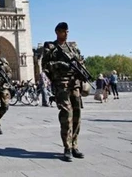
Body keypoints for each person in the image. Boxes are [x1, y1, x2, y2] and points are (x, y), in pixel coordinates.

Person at [42, 22, 85, 162]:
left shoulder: (73, 48)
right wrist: (60, 65)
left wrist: (82, 71)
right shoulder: (51, 47)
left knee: (77, 114)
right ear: (57, 32)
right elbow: (45, 65)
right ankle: (67, 147)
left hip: (75, 85)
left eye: (67, 31)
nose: (66, 33)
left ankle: (74, 145)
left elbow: (81, 62)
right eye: (63, 31)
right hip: (62, 85)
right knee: (66, 115)